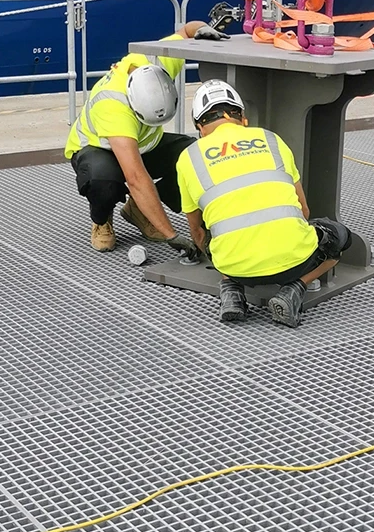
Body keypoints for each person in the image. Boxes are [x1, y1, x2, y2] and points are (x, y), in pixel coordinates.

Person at [176, 80, 352, 328]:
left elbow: (195, 230)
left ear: (199, 126)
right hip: (295, 263)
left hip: (233, 266)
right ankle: (294, 289)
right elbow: (304, 211)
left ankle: (231, 290)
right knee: (339, 236)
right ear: (242, 117)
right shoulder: (271, 139)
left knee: (210, 236)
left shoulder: (188, 158)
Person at [65, 20, 227, 253]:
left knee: (196, 157)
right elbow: (135, 177)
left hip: (145, 145)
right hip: (99, 150)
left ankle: (139, 210)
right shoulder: (113, 106)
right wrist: (171, 235)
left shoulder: (158, 63)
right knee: (103, 181)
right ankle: (102, 220)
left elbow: (186, 31)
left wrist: (202, 28)